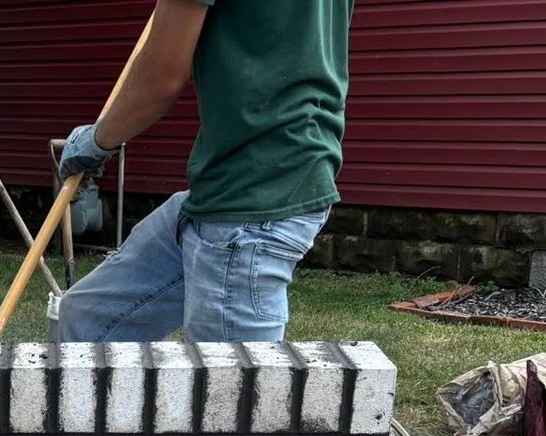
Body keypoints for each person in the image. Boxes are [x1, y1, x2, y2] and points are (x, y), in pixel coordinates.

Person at [53, 0, 351, 344]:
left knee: (229, 390)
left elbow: (160, 79)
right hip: (229, 184)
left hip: (250, 202)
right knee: (86, 321)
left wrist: (95, 141)